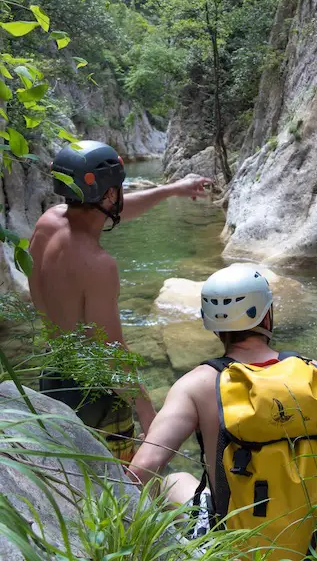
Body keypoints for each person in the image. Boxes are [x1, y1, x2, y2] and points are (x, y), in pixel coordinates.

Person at [128, 265, 317, 558]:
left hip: (240, 552)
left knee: (174, 480)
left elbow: (143, 470)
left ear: (212, 324)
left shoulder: (197, 384)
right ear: (267, 315)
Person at [30, 140, 212, 460]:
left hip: (53, 378)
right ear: (111, 193)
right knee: (120, 491)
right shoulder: (98, 264)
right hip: (94, 397)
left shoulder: (48, 221)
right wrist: (147, 414)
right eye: (117, 188)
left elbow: (108, 211)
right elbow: (112, 355)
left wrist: (171, 190)